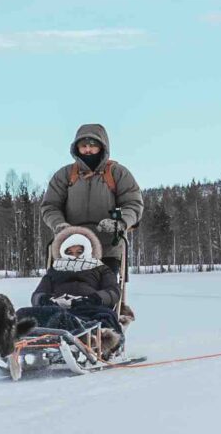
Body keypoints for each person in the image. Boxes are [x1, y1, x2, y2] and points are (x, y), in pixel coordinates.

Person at [37, 122, 143, 263]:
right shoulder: (64, 175)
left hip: (108, 249)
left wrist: (120, 223)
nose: (88, 149)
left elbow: (133, 204)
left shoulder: (118, 173)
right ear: (77, 148)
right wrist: (59, 224)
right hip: (72, 249)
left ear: (102, 147)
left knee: (107, 285)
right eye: (83, 145)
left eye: (93, 145)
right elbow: (50, 206)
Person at [28, 225, 125, 359]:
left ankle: (88, 338)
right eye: (70, 252)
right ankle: (20, 340)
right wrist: (45, 299)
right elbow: (37, 294)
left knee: (106, 316)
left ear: (88, 251)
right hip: (57, 307)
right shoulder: (54, 271)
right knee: (23, 313)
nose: (74, 256)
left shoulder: (101, 269)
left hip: (88, 307)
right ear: (63, 252)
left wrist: (94, 298)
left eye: (79, 252)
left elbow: (113, 291)